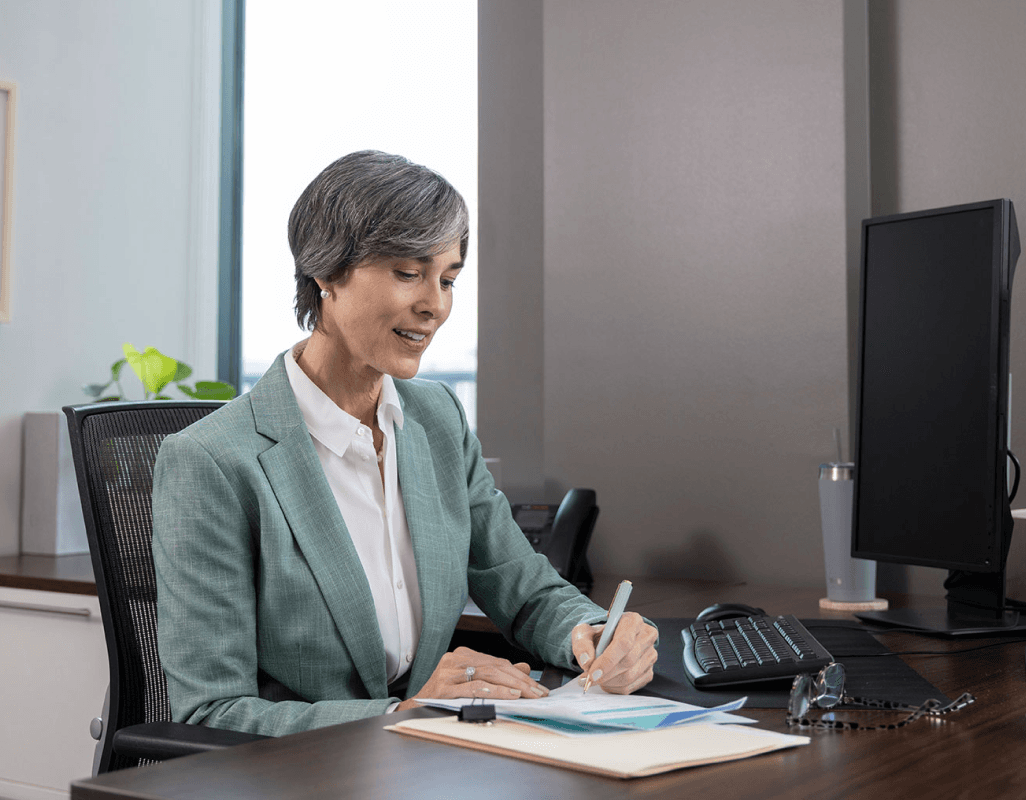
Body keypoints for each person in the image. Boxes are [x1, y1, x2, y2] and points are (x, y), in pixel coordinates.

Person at [152, 150, 657, 736]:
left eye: (447, 279)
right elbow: (212, 712)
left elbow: (522, 588)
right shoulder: (212, 462)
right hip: (303, 778)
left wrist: (592, 635)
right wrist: (402, 715)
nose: (435, 306)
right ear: (325, 272)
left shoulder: (436, 419)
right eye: (408, 273)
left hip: (429, 762)